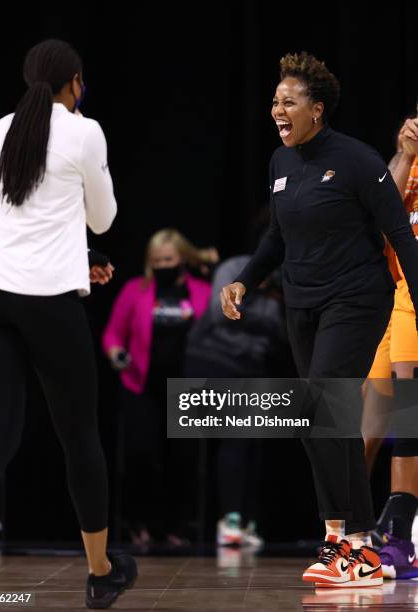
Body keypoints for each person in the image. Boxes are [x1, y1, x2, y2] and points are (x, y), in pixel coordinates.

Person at [220, 51, 418, 588]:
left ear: (318, 109)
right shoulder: (279, 164)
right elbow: (276, 239)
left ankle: (358, 545)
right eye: (274, 101)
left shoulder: (356, 161)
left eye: (290, 102)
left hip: (357, 299)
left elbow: (400, 234)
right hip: (303, 304)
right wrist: (245, 280)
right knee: (318, 423)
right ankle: (348, 544)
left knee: (323, 406)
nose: (277, 110)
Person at [0, 39, 136, 610]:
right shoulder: (84, 131)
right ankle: (100, 573)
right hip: (46, 299)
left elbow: (15, 218)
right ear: (75, 81)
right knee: (79, 435)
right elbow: (102, 217)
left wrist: (76, 255)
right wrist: (81, 249)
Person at [102, 228, 211, 547]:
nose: (163, 265)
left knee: (183, 461)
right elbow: (112, 334)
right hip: (142, 386)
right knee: (141, 457)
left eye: (169, 259)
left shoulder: (202, 291)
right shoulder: (135, 290)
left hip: (189, 391)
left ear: (183, 259)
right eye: (157, 260)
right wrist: (117, 354)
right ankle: (140, 525)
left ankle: (180, 526)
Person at [184, 256, 290, 548]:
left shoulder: (280, 281)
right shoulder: (234, 269)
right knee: (235, 438)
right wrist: (258, 314)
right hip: (213, 361)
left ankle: (248, 521)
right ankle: (230, 520)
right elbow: (221, 314)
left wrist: (263, 310)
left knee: (253, 442)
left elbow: (280, 333)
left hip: (251, 368)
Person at [363, 111, 418, 579]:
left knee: (407, 411)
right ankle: (349, 536)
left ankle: (400, 536)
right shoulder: (407, 163)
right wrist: (404, 154)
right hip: (389, 300)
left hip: (413, 302)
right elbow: (379, 222)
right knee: (363, 425)